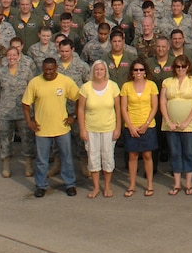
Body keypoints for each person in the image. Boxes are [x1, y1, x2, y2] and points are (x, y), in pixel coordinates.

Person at [22, 57, 80, 198]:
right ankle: (41, 185)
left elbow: (79, 98)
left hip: (62, 127)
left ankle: (70, 184)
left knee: (66, 157)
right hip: (42, 129)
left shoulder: (65, 81)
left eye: (50, 69)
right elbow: (25, 104)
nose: (47, 72)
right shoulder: (35, 82)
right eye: (45, 69)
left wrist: (74, 116)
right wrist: (29, 121)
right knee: (42, 160)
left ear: (56, 69)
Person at [76, 60, 121, 198]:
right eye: (96, 70)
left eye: (102, 69)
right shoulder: (86, 87)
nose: (99, 72)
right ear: (92, 71)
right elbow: (81, 109)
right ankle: (96, 187)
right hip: (91, 129)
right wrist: (82, 129)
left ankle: (107, 186)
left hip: (109, 128)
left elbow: (118, 109)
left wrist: (118, 128)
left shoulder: (113, 86)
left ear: (105, 71)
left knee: (108, 157)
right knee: (93, 158)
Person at [160, 55, 192, 195]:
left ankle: (189, 184)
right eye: (178, 66)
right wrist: (168, 121)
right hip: (170, 125)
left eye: (183, 66)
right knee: (175, 153)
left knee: (189, 153)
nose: (180, 69)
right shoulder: (167, 82)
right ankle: (177, 184)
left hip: (189, 125)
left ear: (188, 67)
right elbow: (162, 102)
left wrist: (186, 122)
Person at [0, 44, 35, 178]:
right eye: (9, 55)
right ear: (6, 57)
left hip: (23, 111)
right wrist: (5, 102)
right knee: (5, 139)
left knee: (26, 138)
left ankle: (28, 163)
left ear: (19, 57)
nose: (12, 58)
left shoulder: (26, 71)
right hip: (5, 112)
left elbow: (32, 89)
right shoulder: (1, 72)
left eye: (14, 55)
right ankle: (6, 163)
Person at [120, 58, 158, 197]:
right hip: (132, 125)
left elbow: (154, 107)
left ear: (145, 71)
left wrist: (146, 124)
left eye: (141, 69)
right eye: (136, 69)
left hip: (148, 125)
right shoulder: (126, 86)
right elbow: (123, 108)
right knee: (132, 155)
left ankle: (149, 185)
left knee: (148, 155)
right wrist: (130, 126)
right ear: (132, 71)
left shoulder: (152, 85)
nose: (138, 72)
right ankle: (132, 185)